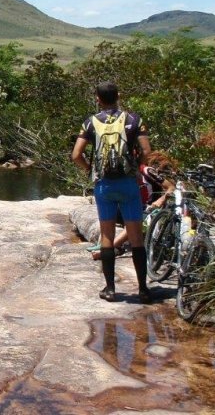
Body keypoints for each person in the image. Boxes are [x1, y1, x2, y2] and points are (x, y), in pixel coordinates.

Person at [71, 82, 152, 304]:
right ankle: (143, 289)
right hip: (128, 183)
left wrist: (91, 171)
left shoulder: (90, 122)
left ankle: (110, 289)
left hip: (104, 185)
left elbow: (76, 154)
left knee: (106, 235)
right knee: (136, 236)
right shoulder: (134, 120)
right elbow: (146, 151)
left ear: (98, 98)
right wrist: (137, 169)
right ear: (119, 95)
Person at [89, 151, 178, 260]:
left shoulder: (147, 171)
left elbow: (171, 187)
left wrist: (161, 200)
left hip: (148, 208)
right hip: (128, 206)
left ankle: (109, 250)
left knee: (135, 223)